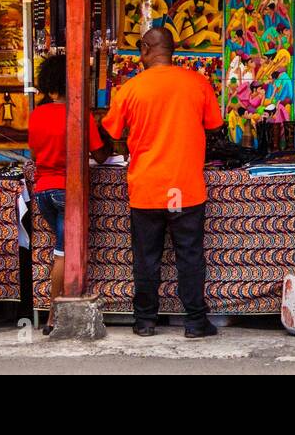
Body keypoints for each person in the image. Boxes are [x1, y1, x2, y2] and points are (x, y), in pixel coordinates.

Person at [101, 27, 224, 339]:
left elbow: (111, 133)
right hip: (184, 187)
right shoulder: (197, 82)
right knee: (190, 255)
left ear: (144, 49)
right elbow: (214, 126)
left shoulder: (129, 89)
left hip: (146, 188)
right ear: (173, 49)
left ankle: (144, 321)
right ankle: (196, 322)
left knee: (146, 258)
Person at [27, 54, 109, 334]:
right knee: (62, 253)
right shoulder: (78, 114)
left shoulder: (36, 115)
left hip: (43, 191)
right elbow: (99, 156)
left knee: (63, 248)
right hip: (67, 191)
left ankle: (58, 311)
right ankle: (53, 317)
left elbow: (37, 154)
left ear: (49, 86)